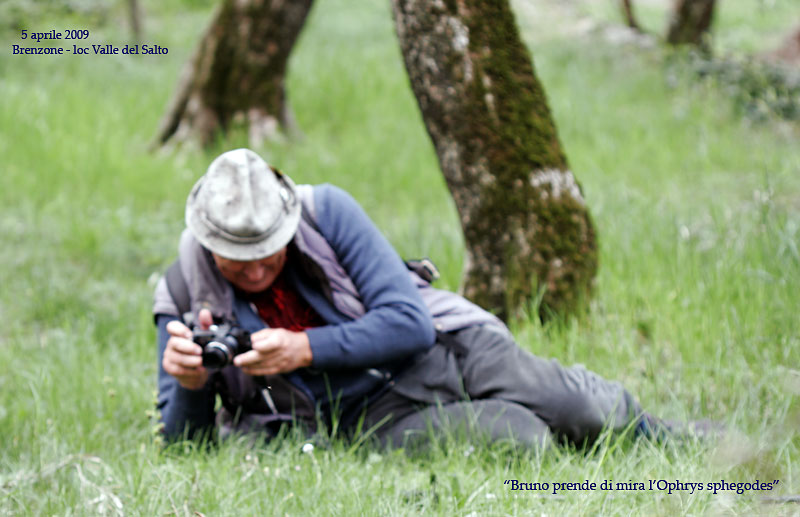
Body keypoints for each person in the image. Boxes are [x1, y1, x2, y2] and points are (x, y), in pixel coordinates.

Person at [153, 148, 665, 449]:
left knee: (585, 412)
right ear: (206, 240)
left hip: (447, 350)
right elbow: (184, 446)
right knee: (522, 440)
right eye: (238, 261)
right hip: (370, 418)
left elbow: (408, 323)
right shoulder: (181, 290)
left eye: (270, 251)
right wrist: (192, 383)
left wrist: (305, 349)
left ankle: (676, 439)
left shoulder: (326, 211)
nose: (259, 269)